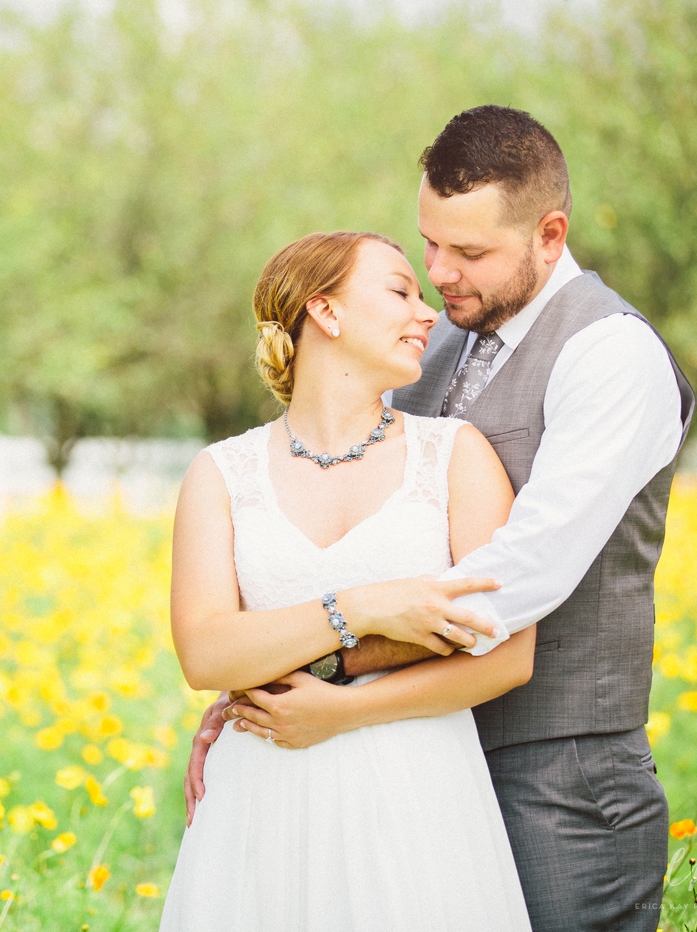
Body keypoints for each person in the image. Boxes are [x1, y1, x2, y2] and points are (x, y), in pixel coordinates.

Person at [184, 106, 695, 932]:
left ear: (550, 235)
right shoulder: (440, 345)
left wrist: (313, 671)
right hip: (414, 771)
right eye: (428, 244)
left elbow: (512, 579)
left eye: (469, 253)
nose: (439, 274)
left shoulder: (612, 355)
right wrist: (258, 693)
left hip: (556, 777)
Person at [161, 229, 535, 931]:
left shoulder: (455, 456)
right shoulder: (220, 475)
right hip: (258, 800)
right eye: (400, 291)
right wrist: (360, 607)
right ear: (325, 313)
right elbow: (205, 655)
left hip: (419, 795)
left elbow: (508, 653)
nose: (427, 313)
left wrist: (341, 710)